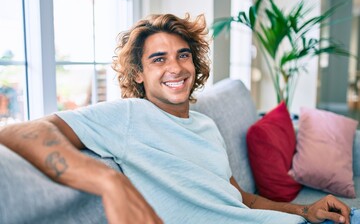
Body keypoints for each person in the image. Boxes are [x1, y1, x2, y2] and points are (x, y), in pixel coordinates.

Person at [0, 13, 354, 224]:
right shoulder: (129, 115)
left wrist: (304, 210)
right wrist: (109, 183)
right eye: (158, 59)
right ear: (138, 73)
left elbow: (241, 199)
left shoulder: (206, 125)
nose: (175, 67)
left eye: (182, 55)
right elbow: (20, 131)